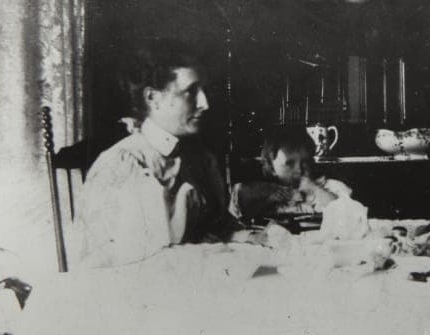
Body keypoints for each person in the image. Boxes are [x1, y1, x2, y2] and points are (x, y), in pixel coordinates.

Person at [75, 40, 250, 269]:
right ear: (153, 98)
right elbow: (124, 261)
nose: (204, 103)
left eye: (203, 91)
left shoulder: (201, 160)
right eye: (190, 92)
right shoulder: (123, 165)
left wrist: (252, 238)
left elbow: (218, 228)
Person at [229, 125, 352, 220]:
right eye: (289, 164)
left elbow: (346, 213)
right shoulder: (261, 192)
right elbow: (240, 207)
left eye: (305, 161)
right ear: (272, 167)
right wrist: (274, 196)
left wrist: (314, 189)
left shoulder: (330, 187)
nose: (299, 170)